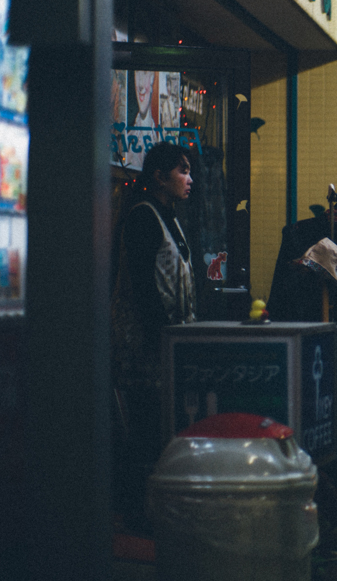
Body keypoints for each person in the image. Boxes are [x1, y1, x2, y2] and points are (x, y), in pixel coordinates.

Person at [110, 141, 197, 530]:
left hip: (170, 342)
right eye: (182, 171)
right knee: (146, 432)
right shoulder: (144, 217)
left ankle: (155, 514)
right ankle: (136, 517)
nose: (189, 179)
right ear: (159, 176)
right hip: (146, 346)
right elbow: (144, 290)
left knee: (161, 431)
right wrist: (162, 336)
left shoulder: (171, 217)